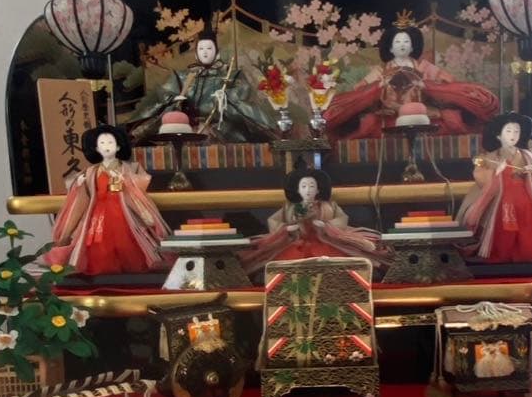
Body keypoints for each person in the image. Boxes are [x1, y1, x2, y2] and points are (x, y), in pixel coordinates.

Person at [323, 18, 499, 139]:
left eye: (406, 42)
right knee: (368, 124)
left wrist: (427, 87)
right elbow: (358, 94)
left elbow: (452, 86)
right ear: (390, 48)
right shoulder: (380, 71)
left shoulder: (425, 67)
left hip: (422, 117)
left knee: (451, 123)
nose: (402, 46)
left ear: (413, 46)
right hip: (390, 118)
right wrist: (378, 88)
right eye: (398, 42)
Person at [46, 125, 171, 275]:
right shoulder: (89, 174)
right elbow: (80, 203)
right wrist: (66, 233)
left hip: (126, 215)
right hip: (98, 217)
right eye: (102, 143)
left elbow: (139, 193)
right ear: (96, 148)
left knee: (127, 245)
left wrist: (125, 183)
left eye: (110, 142)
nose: (106, 146)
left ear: (118, 146)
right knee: (99, 248)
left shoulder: (132, 169)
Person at [456, 112, 532, 262]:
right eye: (508, 131)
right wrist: (497, 172)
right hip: (500, 197)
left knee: (529, 223)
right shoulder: (489, 158)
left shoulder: (529, 156)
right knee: (502, 226)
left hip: (527, 194)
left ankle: (530, 253)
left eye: (517, 131)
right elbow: (480, 174)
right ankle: (503, 254)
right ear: (498, 135)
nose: (513, 135)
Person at [240, 167, 391, 279]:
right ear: (297, 190)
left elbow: (341, 220)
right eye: (303, 186)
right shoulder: (290, 207)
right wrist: (288, 229)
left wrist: (326, 226)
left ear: (318, 189)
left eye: (311, 186)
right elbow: (274, 221)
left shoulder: (328, 206)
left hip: (325, 242)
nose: (308, 190)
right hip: (296, 244)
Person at [130, 31, 278, 144]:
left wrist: (225, 97)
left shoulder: (231, 75)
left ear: (217, 53)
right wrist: (176, 100)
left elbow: (241, 94)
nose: (205, 52)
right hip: (186, 125)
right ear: (196, 54)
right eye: (201, 49)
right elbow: (166, 94)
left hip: (221, 126)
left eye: (209, 48)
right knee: (168, 119)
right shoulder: (182, 76)